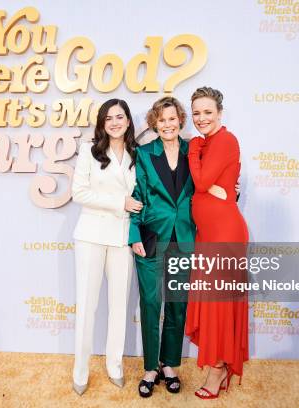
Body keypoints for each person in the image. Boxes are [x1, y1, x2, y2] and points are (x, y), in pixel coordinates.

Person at [71, 99, 142, 396]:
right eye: (108, 118)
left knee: (118, 307)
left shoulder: (137, 154)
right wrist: (119, 202)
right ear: (102, 123)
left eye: (120, 117)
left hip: (122, 237)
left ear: (128, 122)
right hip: (90, 235)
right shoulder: (89, 151)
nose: (114, 122)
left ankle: (115, 364)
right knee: (87, 306)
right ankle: (80, 369)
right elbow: (79, 193)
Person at [185, 87, 249, 400]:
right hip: (208, 234)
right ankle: (219, 366)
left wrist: (194, 150)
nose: (201, 118)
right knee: (213, 304)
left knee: (220, 306)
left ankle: (218, 369)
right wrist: (213, 190)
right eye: (196, 113)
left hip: (224, 234)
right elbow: (206, 186)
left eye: (207, 112)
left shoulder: (223, 140)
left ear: (220, 114)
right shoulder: (208, 143)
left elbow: (200, 181)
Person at [128, 96, 195, 398]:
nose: (167, 125)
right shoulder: (143, 154)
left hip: (184, 238)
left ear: (180, 120)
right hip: (152, 238)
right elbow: (137, 194)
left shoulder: (194, 151)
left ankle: (170, 364)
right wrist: (134, 234)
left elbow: (207, 186)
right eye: (161, 120)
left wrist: (231, 191)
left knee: (178, 305)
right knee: (152, 304)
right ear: (154, 123)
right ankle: (150, 368)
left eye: (172, 119)